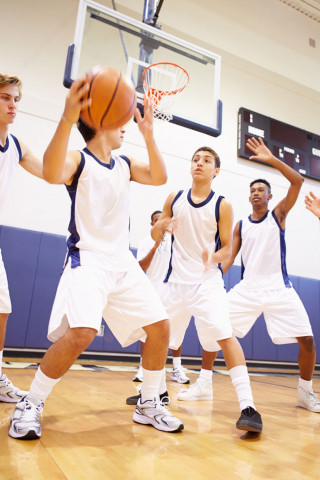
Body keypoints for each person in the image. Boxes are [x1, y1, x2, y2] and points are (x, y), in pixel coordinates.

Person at [8, 77, 184, 440]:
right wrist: (67, 118)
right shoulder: (78, 158)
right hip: (86, 259)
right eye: (122, 122)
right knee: (82, 332)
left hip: (123, 263)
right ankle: (32, 402)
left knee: (160, 328)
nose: (126, 128)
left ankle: (148, 403)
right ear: (104, 121)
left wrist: (149, 134)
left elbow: (159, 176)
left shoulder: (125, 163)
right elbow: (53, 173)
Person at [180, 137, 320, 414]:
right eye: (253, 190)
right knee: (216, 328)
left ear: (269, 197)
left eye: (262, 190)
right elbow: (229, 256)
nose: (257, 193)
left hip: (280, 289)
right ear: (249, 197)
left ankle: (305, 391)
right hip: (247, 290)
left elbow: (297, 183)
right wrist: (212, 273)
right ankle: (204, 383)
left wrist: (271, 159)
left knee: (307, 341)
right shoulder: (241, 225)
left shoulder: (278, 215)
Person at [150, 145, 263, 433]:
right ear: (191, 166)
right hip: (174, 283)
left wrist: (213, 257)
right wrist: (160, 227)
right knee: (157, 337)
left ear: (216, 170)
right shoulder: (174, 197)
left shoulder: (222, 204)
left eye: (207, 160)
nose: (200, 163)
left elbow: (228, 248)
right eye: (196, 159)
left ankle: (248, 407)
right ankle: (153, 395)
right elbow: (156, 233)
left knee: (226, 336)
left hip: (206, 282)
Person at [0, 73, 43, 403]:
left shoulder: (14, 145)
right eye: (5, 98)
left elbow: (51, 172)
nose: (13, 104)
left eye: (16, 99)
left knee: (3, 309)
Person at [132, 210, 190, 385]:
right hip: (152, 289)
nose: (160, 223)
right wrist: (155, 246)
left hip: (174, 289)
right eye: (156, 221)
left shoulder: (176, 242)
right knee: (148, 331)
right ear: (152, 224)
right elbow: (141, 266)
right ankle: (143, 366)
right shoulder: (145, 242)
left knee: (177, 328)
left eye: (162, 220)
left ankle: (176, 368)